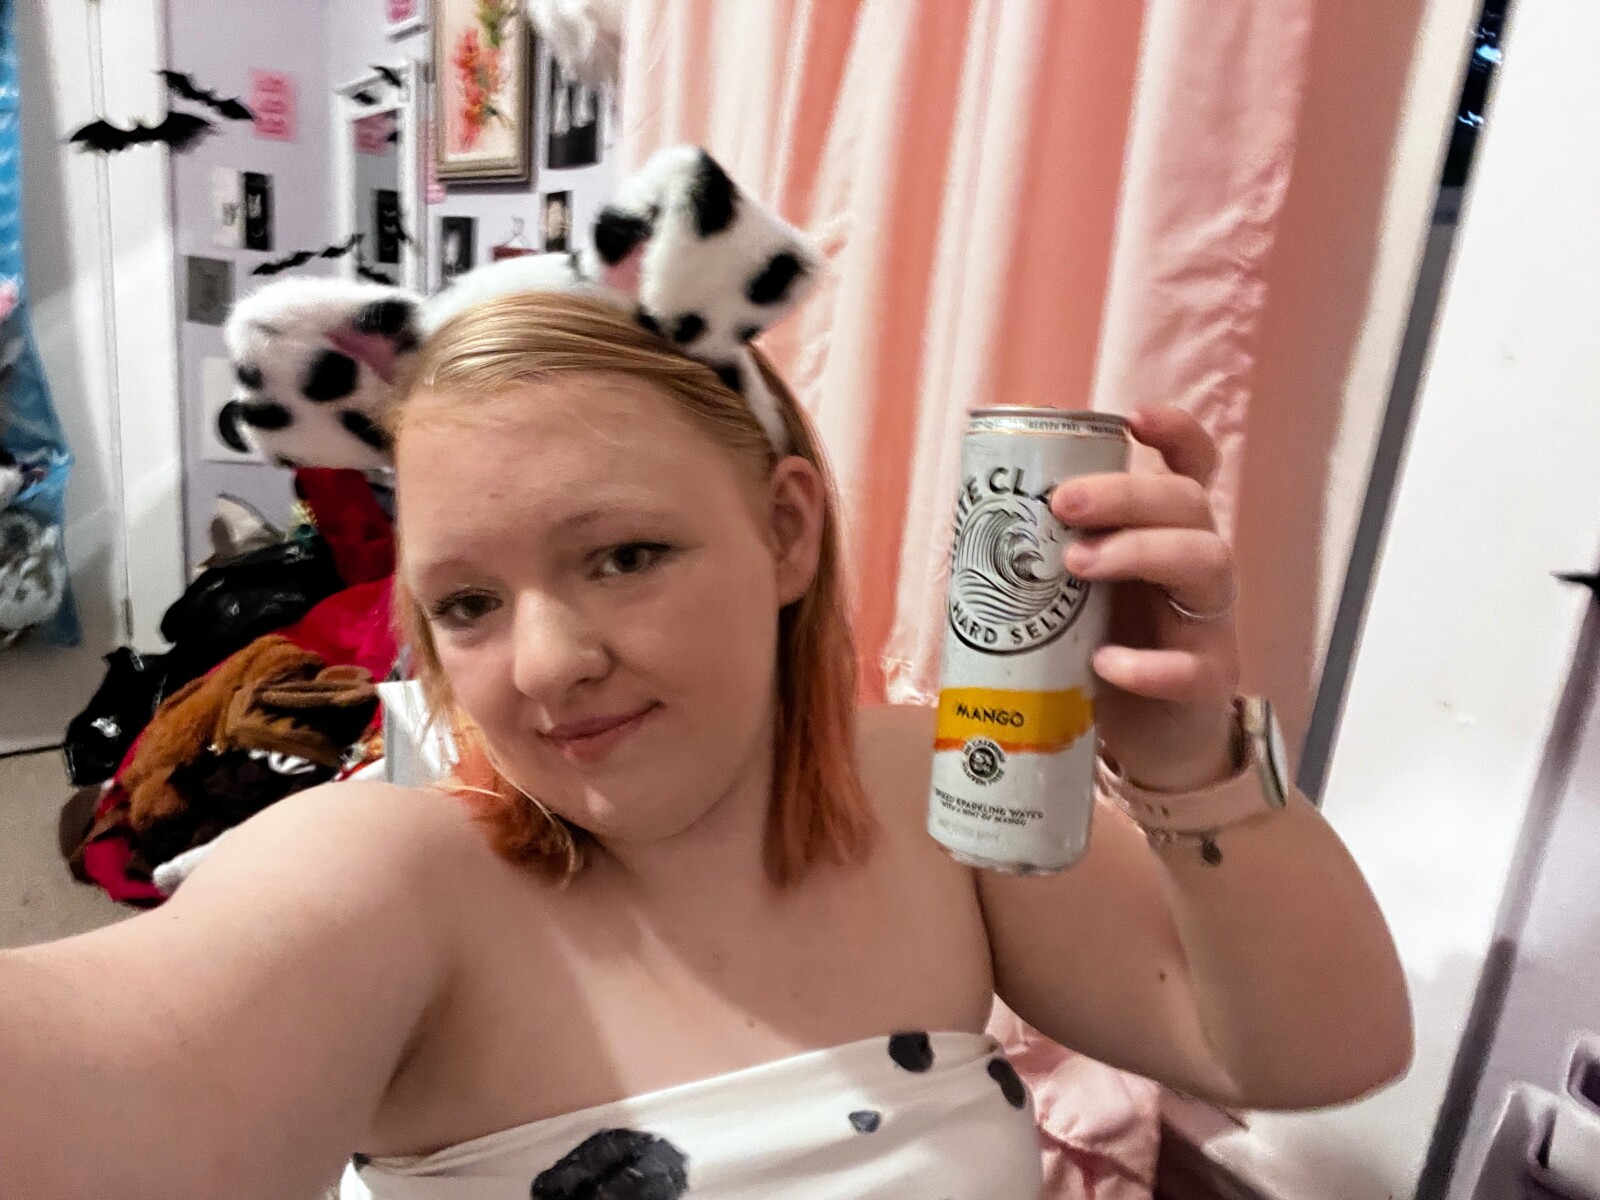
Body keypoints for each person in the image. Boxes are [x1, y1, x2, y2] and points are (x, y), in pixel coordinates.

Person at [0, 157, 1411, 1200]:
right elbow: (125, 1075)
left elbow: (1316, 1053)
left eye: (624, 556)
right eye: (469, 602)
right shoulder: (391, 875)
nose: (547, 664)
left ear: (786, 530)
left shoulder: (942, 792)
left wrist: (1188, 762)